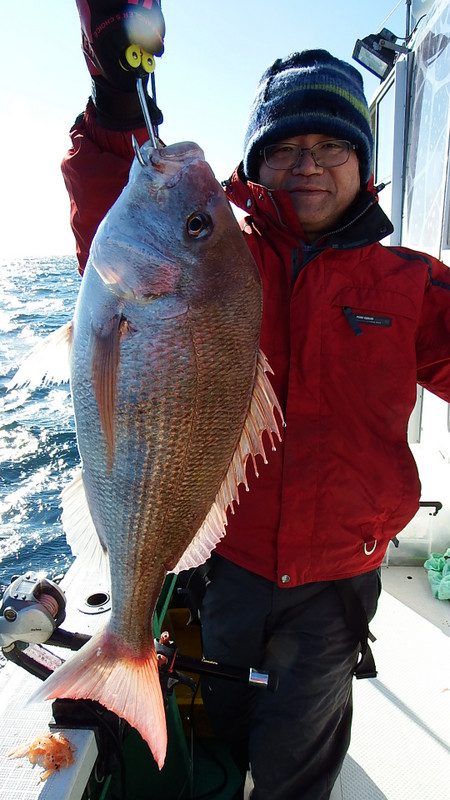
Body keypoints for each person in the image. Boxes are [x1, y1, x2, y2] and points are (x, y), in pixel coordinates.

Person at [64, 4, 450, 799]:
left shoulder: (412, 283)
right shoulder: (222, 256)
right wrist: (114, 98)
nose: (308, 163)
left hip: (337, 577)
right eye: (282, 148)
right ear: (256, 164)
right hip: (230, 563)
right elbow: (119, 209)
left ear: (364, 160)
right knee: (232, 716)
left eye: (332, 145)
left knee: (299, 749)